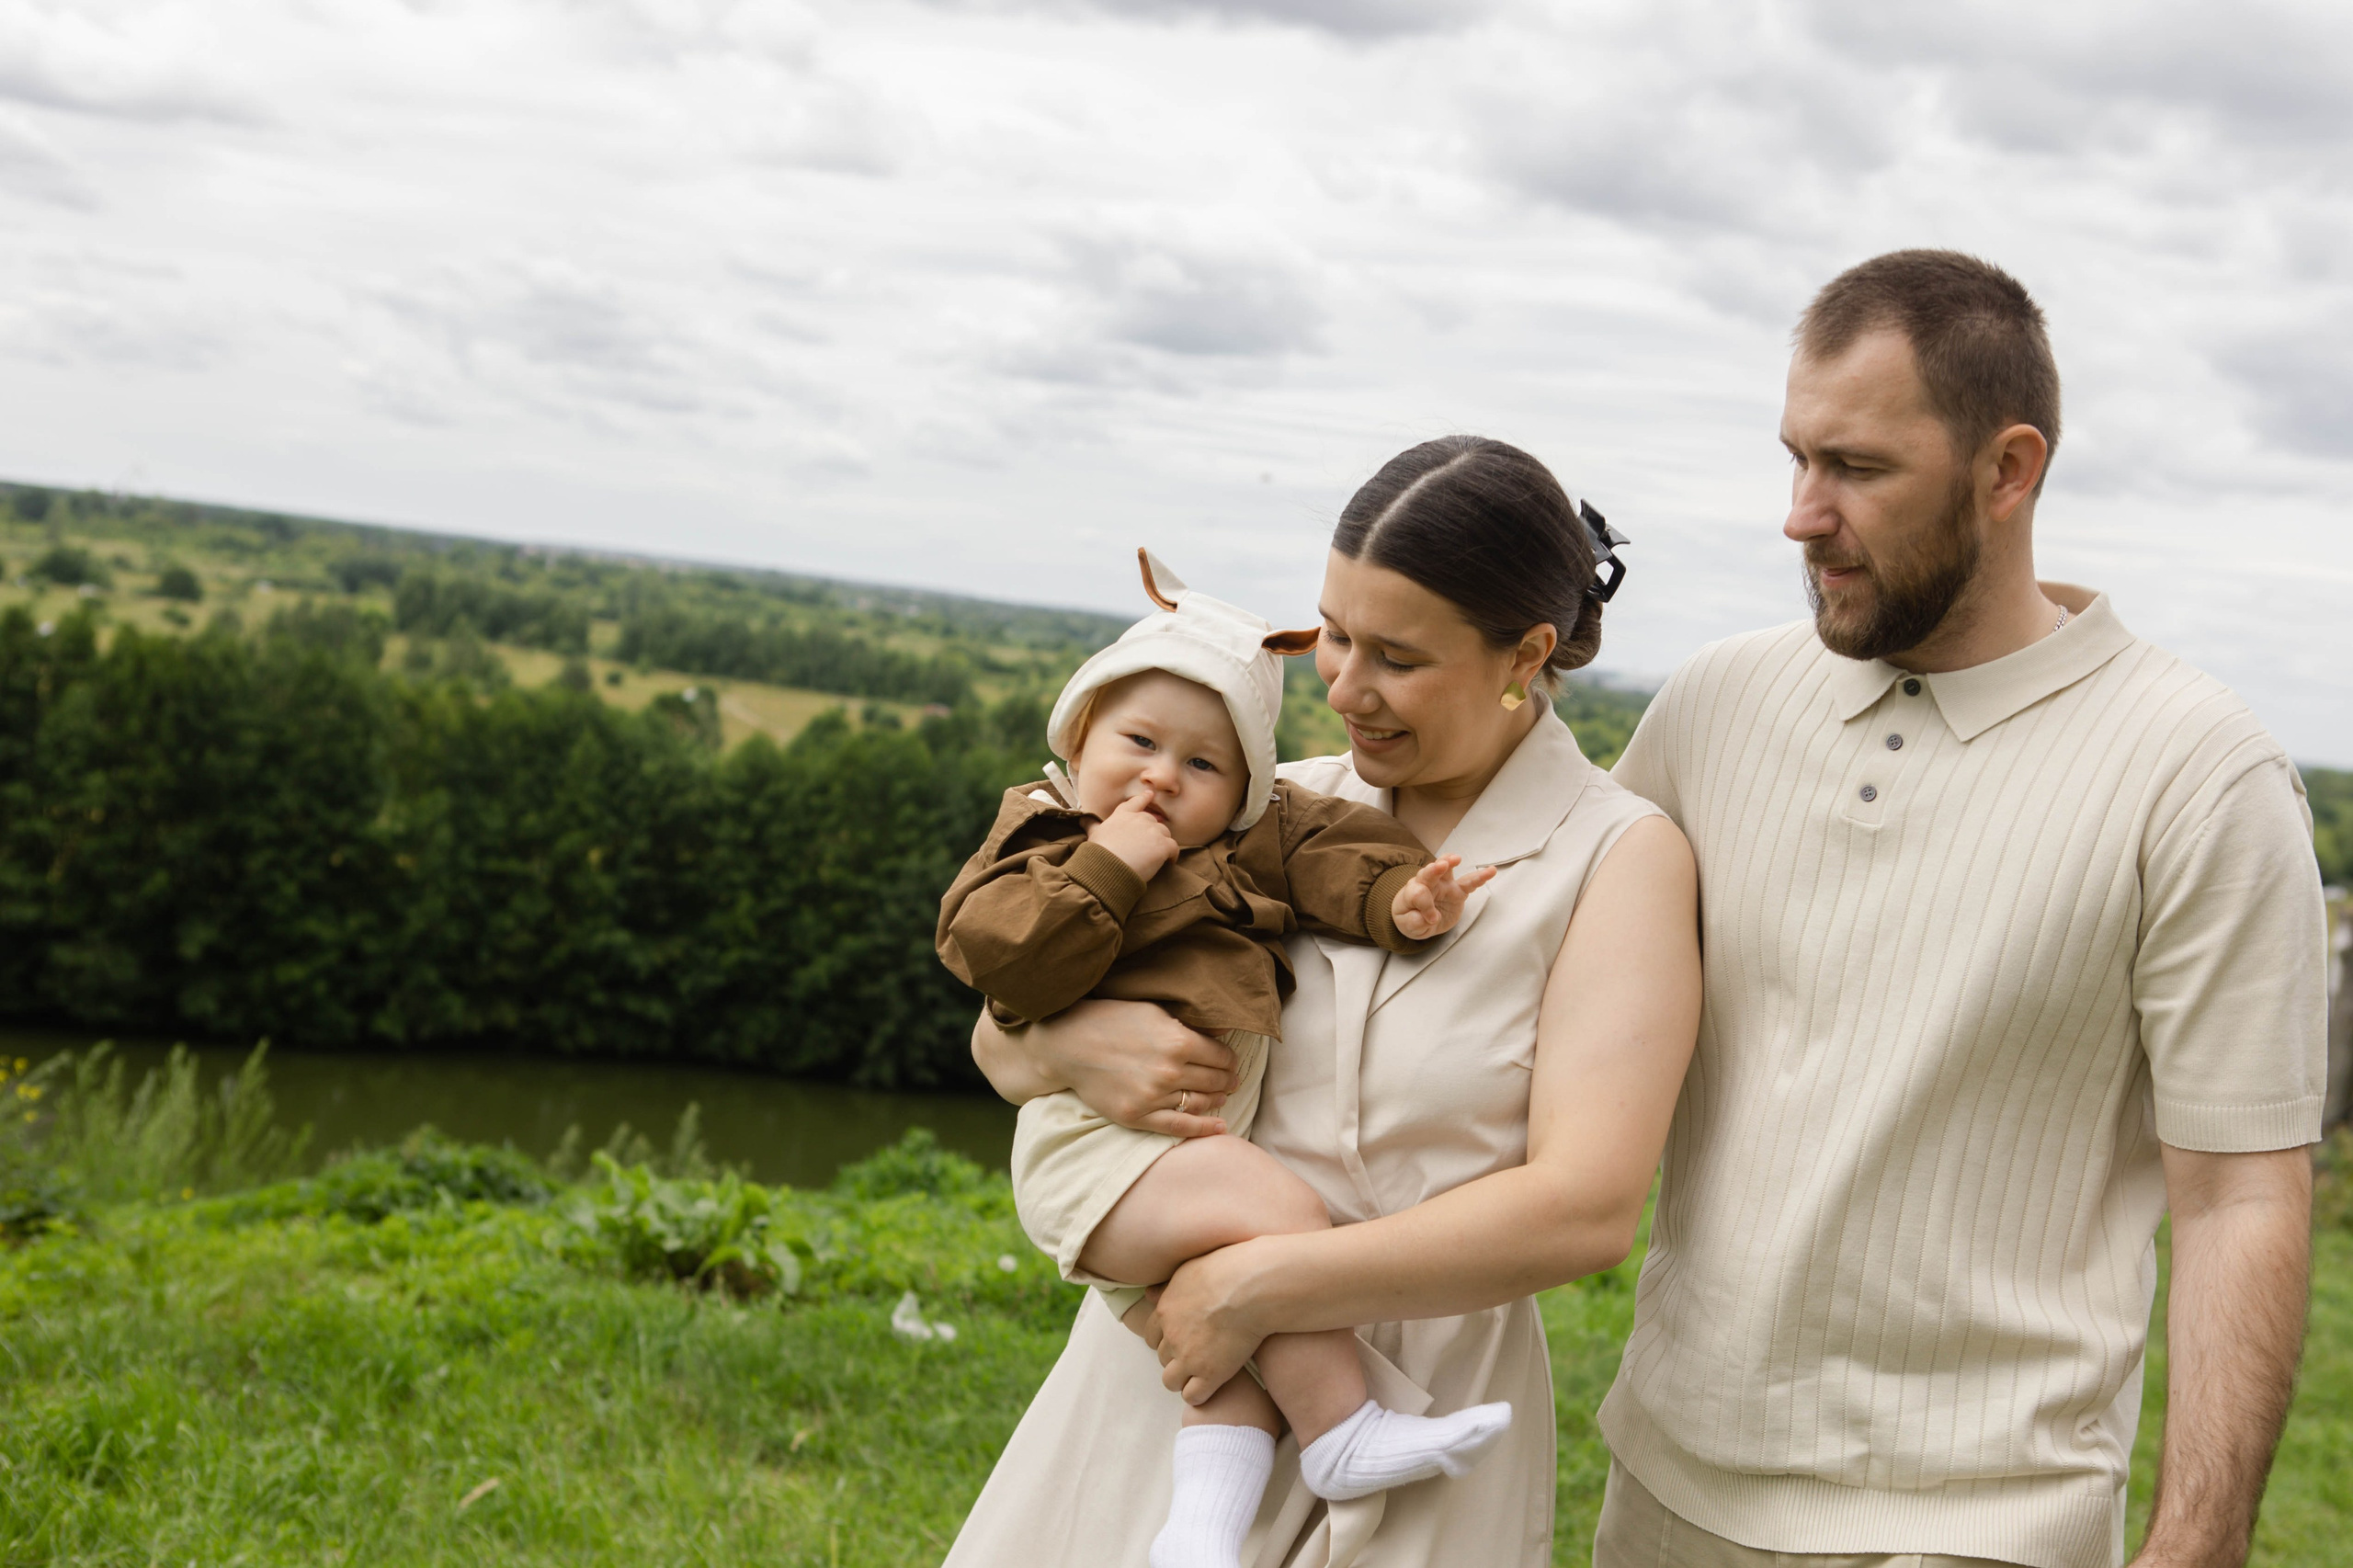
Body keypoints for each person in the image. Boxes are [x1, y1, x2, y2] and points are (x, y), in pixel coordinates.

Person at [1596, 249, 2328, 1568]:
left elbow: (2242, 1194)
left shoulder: (2201, 771)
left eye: (1859, 470)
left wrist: (2201, 1537)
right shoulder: (1712, 704)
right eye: (1796, 459)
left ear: (2008, 470)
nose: (1803, 516)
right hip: (1668, 1476)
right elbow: (1508, 933)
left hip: (1987, 1517)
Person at [943, 436, 1702, 1567]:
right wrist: (1067, 1047)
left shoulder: (1617, 857)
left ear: (1525, 652)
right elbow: (1006, 1008)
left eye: (1395, 656)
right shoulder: (1263, 803)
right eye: (1334, 635)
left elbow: (1583, 1206)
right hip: (1176, 1388)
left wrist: (1258, 1284)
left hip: (1410, 1400)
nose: (1343, 686)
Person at [935, 552, 1512, 1568]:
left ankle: (1198, 1535)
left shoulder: (1248, 839)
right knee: (1279, 1221)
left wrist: (1401, 901)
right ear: (1078, 737)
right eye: (1139, 741)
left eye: (1204, 764)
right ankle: (1341, 1429)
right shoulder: (1047, 833)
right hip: (1095, 1149)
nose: (1162, 776)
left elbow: (1335, 854)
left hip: (1171, 1155)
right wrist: (1113, 863)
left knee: (1235, 1337)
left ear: (1245, 789)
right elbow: (998, 958)